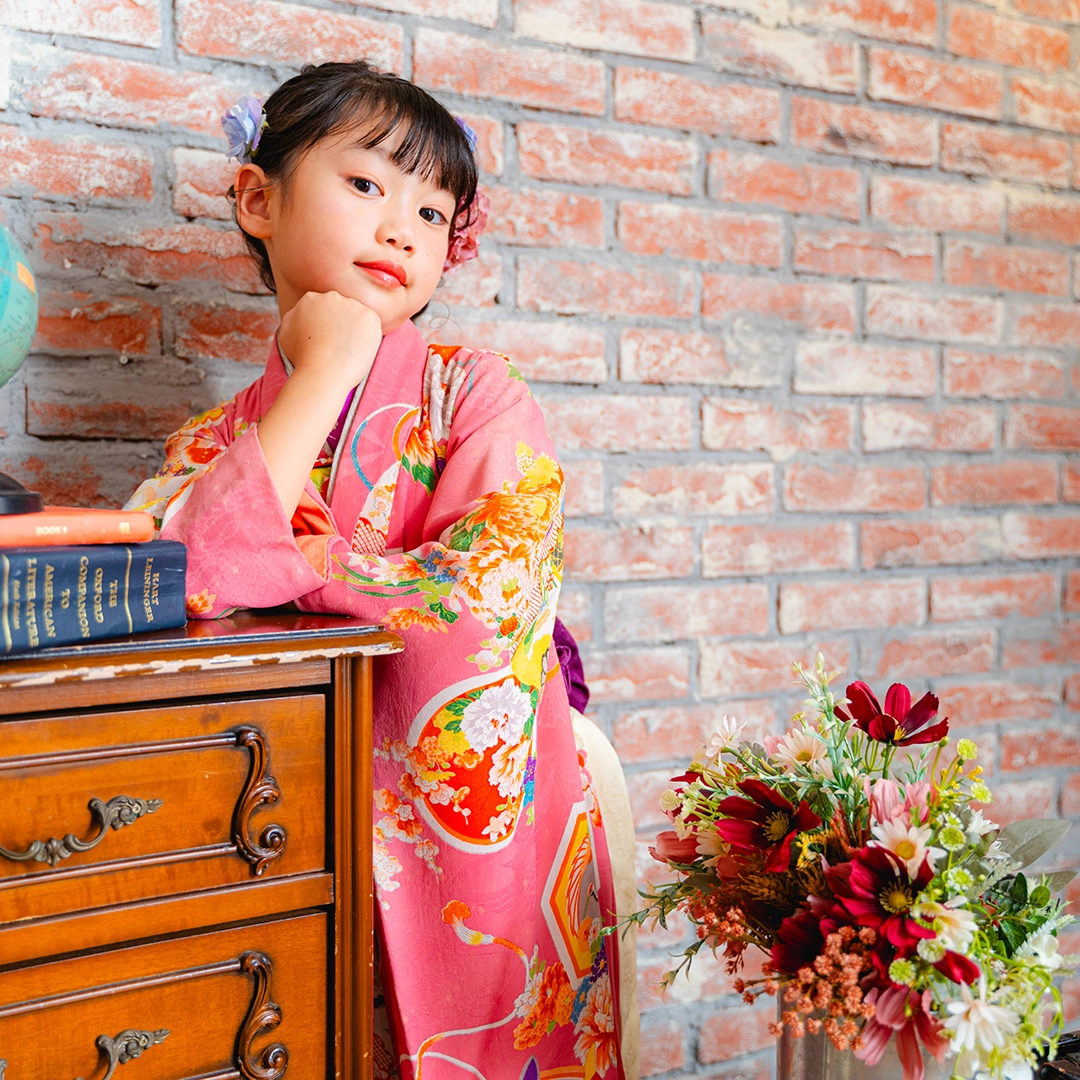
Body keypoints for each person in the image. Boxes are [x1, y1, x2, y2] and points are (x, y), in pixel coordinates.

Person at [126, 61, 637, 1080]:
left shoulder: (477, 396)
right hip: (270, 828)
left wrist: (284, 563)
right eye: (366, 184)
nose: (402, 228)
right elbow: (181, 583)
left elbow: (483, 605)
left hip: (475, 865)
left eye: (433, 212)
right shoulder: (212, 440)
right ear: (258, 199)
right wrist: (322, 371)